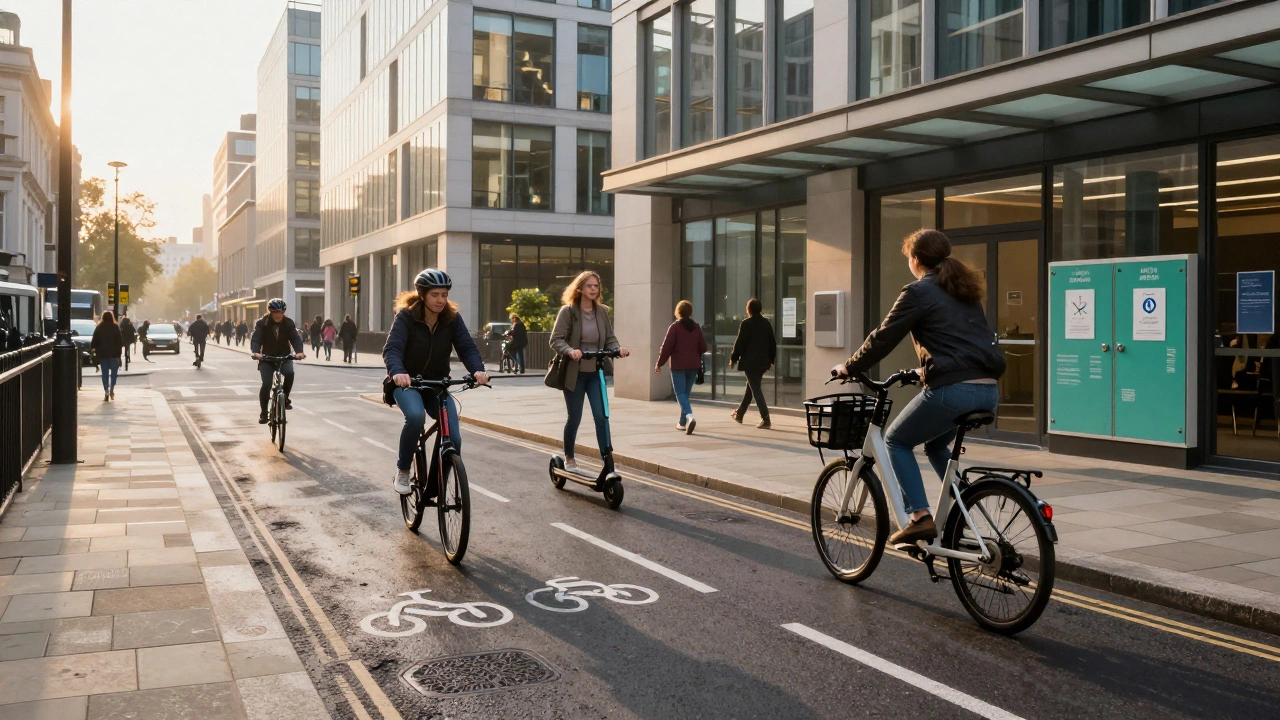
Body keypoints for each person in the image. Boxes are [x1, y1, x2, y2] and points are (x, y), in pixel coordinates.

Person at [833, 229, 1006, 547]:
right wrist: (922, 370)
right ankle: (964, 503)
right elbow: (962, 345)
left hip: (953, 392)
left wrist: (850, 366)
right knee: (935, 447)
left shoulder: (918, 291)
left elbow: (883, 337)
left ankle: (920, 516)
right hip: (988, 391)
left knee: (896, 440)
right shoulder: (963, 291)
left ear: (915, 259)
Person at [384, 269, 489, 495]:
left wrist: (478, 370)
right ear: (422, 295)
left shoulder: (452, 319)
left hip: (437, 385)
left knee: (455, 439)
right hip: (407, 384)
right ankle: (403, 470)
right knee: (415, 417)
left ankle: (435, 486)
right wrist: (398, 372)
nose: (441, 300)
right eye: (435, 295)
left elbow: (467, 348)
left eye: (444, 294)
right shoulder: (406, 317)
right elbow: (393, 349)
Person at [550, 271, 629, 472]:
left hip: (595, 373)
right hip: (574, 374)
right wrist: (570, 350)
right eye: (589, 286)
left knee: (602, 416)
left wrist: (617, 348)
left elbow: (609, 337)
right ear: (580, 288)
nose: (594, 289)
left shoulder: (602, 311)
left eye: (596, 286)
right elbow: (556, 339)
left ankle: (606, 459)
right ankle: (569, 457)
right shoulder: (568, 312)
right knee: (574, 418)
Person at [250, 299, 306, 424]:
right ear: (270, 312)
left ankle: (285, 398)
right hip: (266, 358)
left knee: (290, 373)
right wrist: (256, 352)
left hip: (284, 356)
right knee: (266, 384)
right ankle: (264, 412)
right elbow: (256, 339)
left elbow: (295, 338)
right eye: (275, 312)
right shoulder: (262, 323)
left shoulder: (288, 323)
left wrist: (299, 352)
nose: (278, 315)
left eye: (280, 312)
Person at [656, 300, 708, 434]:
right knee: (685, 394)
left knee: (680, 394)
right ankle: (682, 422)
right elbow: (703, 347)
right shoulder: (696, 327)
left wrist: (659, 363)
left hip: (678, 365)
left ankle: (690, 416)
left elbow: (666, 348)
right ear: (690, 312)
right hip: (693, 366)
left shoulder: (674, 327)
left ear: (678, 312)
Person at [729, 298, 777, 429]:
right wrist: (771, 360)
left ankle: (765, 418)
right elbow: (772, 343)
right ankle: (739, 414)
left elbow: (740, 343)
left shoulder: (746, 323)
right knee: (751, 388)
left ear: (748, 309)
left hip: (750, 362)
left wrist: (733, 358)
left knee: (755, 389)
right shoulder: (766, 323)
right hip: (763, 362)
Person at [91, 311, 124, 401]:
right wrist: (119, 353)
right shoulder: (115, 327)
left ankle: (106, 390)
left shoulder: (99, 327)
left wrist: (94, 349)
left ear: (103, 317)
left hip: (103, 354)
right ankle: (112, 388)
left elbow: (94, 340)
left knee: (104, 373)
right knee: (114, 373)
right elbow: (120, 342)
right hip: (114, 354)